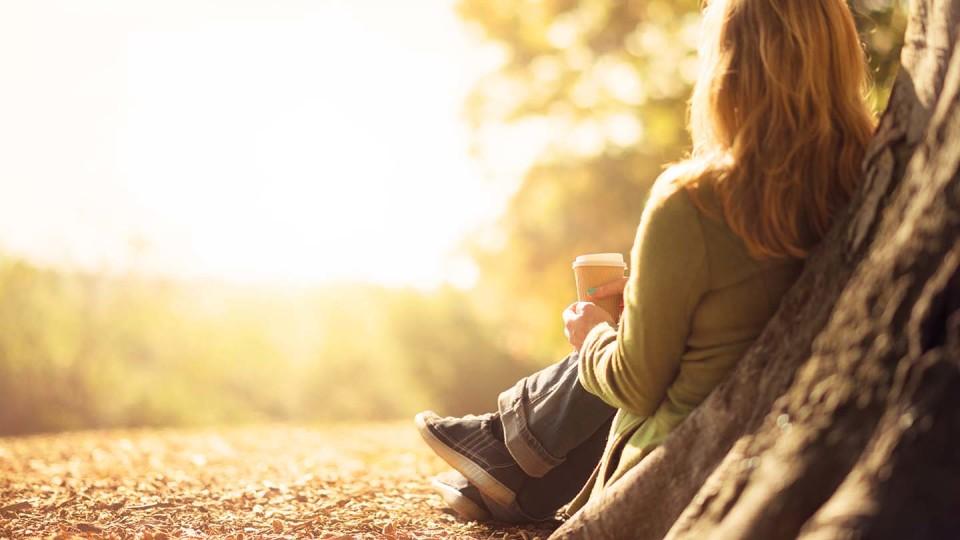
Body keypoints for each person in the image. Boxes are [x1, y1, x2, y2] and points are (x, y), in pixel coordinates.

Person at [416, 0, 876, 523]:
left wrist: (591, 336)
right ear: (842, 57)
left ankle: (508, 455)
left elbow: (636, 382)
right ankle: (505, 461)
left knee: (618, 345)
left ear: (725, 68)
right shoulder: (874, 177)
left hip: (680, 467)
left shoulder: (698, 201)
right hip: (798, 452)